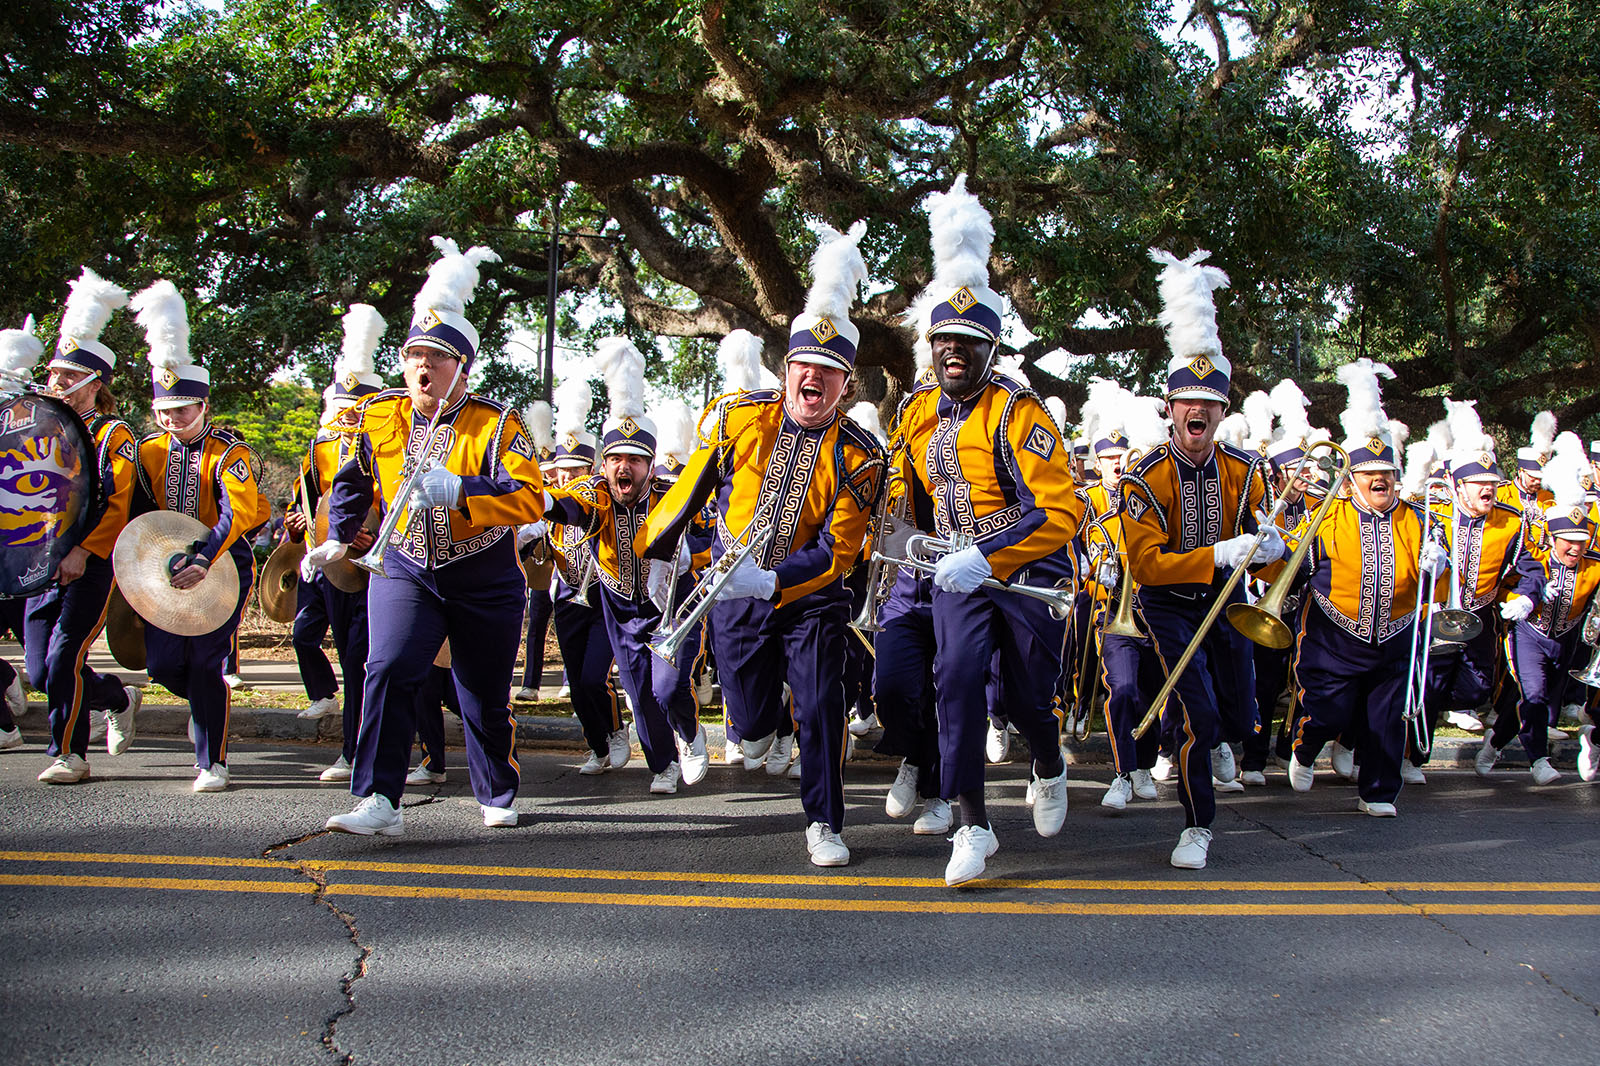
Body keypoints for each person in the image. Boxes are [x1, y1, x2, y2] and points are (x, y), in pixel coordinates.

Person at [639, 221, 884, 868]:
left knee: (822, 703)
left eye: (831, 372)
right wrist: (657, 549)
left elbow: (841, 551)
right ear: (786, 369)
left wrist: (774, 581)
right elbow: (691, 486)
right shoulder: (739, 414)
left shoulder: (861, 455)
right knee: (745, 722)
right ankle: (759, 727)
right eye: (807, 366)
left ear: (846, 384)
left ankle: (825, 823)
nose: (816, 378)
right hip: (730, 584)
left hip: (809, 597)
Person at [310, 237, 544, 834]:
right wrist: (339, 537)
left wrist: (464, 490)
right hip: (406, 565)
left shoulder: (496, 422)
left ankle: (496, 788)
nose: (422, 366)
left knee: (481, 692)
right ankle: (378, 800)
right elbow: (352, 479)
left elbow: (529, 498)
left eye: (437, 357)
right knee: (386, 668)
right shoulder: (379, 414)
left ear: (462, 368)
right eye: (415, 354)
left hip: (483, 574)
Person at [894, 176, 1082, 885]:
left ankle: (1048, 758)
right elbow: (906, 499)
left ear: (992, 351)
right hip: (953, 576)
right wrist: (906, 550)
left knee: (1031, 697)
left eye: (969, 343)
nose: (953, 352)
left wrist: (988, 554)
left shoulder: (1020, 413)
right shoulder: (913, 413)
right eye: (944, 338)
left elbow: (1061, 512)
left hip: (1028, 575)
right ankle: (971, 823)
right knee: (959, 681)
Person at [1119, 248, 1282, 869]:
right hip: (1169, 608)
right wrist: (1219, 553)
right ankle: (1196, 826)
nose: (1197, 412)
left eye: (1209, 403)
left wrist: (1272, 552)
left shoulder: (1247, 470)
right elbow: (1149, 566)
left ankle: (1217, 742)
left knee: (1241, 719)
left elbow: (1266, 559)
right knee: (1198, 717)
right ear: (1170, 407)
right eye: (1186, 402)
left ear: (1222, 411)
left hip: (1228, 608)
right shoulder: (1144, 477)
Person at [1270, 359, 1443, 818]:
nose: (1380, 479)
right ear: (1351, 482)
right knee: (1328, 711)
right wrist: (1272, 551)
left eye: (1386, 472)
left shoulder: (1420, 521)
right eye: (1370, 474)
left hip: (1395, 635)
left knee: (1387, 720)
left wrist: (1438, 564)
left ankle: (1379, 792)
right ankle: (1305, 748)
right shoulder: (1326, 518)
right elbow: (1292, 567)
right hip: (1334, 634)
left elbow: (1436, 584)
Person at [544, 336, 710, 795]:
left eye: (635, 460)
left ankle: (691, 735)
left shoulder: (671, 496)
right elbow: (570, 507)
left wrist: (687, 553)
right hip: (619, 607)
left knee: (668, 687)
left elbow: (708, 540)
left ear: (651, 465)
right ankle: (663, 766)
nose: (624, 467)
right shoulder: (596, 491)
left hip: (672, 604)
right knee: (639, 695)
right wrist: (538, 503)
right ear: (603, 462)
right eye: (615, 457)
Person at [128, 280, 269, 792]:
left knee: (208, 661)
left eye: (181, 411)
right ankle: (204, 708)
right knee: (163, 664)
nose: (172, 420)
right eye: (164, 411)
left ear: (204, 407)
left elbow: (240, 511)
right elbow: (139, 512)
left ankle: (213, 761)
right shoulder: (147, 451)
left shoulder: (229, 451)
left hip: (224, 568)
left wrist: (205, 556)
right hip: (164, 572)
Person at [9, 272, 142, 784]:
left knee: (65, 655)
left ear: (94, 384)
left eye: (69, 376)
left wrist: (84, 550)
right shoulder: (37, 427)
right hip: (40, 563)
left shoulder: (114, 434)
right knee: (41, 671)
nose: (56, 382)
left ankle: (68, 755)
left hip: (87, 563)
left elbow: (116, 501)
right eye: (54, 374)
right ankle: (115, 695)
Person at [286, 304, 385, 782]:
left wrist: (370, 535)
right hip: (325, 566)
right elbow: (310, 502)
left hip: (371, 566)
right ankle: (351, 740)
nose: (345, 420)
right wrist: (301, 524)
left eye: (354, 412)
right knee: (329, 647)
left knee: (363, 660)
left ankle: (355, 751)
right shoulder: (319, 451)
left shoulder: (385, 447)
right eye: (339, 411)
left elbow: (396, 504)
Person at [1411, 402, 1526, 780]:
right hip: (1434, 615)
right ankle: (1413, 757)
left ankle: (1442, 710)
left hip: (1480, 618)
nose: (1488, 489)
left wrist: (1524, 595)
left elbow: (1525, 567)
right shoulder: (1432, 513)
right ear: (1459, 486)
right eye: (1480, 484)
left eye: (1492, 483)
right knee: (1429, 687)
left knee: (1477, 690)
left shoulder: (1510, 522)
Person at [1479, 433, 1600, 785]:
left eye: (1581, 542)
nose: (1574, 549)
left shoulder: (1594, 564)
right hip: (1530, 634)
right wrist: (1523, 599)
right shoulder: (1538, 560)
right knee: (1532, 693)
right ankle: (1538, 760)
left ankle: (1496, 740)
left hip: (1564, 638)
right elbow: (1519, 582)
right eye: (1568, 541)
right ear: (1553, 538)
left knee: (1535, 700)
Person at [534, 371, 628, 779]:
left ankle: (616, 728)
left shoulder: (597, 493)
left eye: (574, 470)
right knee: (575, 680)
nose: (565, 478)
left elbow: (580, 506)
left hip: (603, 596)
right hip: (569, 596)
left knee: (593, 677)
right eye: (560, 471)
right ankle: (597, 745)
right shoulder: (554, 498)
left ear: (590, 467)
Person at [1078, 380, 1165, 810]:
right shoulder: (1088, 503)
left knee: (1151, 691)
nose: (1116, 466)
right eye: (1108, 460)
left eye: (1122, 458)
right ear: (1096, 461)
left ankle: (1144, 764)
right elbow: (1075, 552)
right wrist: (1092, 571)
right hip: (1112, 611)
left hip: (1157, 609)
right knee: (1124, 687)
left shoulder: (1148, 497)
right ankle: (1122, 772)